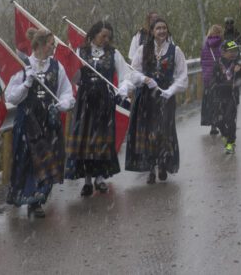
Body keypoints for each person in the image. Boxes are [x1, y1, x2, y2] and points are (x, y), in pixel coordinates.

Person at [5, 28, 75, 218]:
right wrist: (27, 83)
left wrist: (63, 103)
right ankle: (31, 198)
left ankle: (39, 198)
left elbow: (67, 91)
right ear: (40, 45)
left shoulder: (56, 67)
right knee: (29, 161)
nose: (54, 47)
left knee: (48, 160)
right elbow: (11, 97)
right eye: (51, 44)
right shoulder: (23, 66)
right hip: (28, 121)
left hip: (48, 121)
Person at [120, 18, 188, 184]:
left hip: (165, 97)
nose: (162, 31)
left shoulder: (175, 51)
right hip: (146, 98)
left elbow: (182, 76)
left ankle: (163, 163)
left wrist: (170, 90)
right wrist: (145, 79)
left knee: (164, 132)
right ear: (152, 31)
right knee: (148, 133)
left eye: (164, 28)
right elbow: (133, 72)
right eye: (158, 28)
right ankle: (150, 167)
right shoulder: (143, 50)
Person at [65, 21, 127, 196]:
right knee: (85, 140)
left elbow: (124, 75)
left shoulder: (113, 54)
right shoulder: (80, 52)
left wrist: (121, 90)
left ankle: (100, 178)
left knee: (102, 139)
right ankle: (87, 180)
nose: (106, 40)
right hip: (85, 101)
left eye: (108, 37)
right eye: (103, 36)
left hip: (104, 101)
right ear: (94, 35)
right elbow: (74, 77)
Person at [210, 39, 241, 154]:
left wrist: (238, 78)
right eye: (230, 51)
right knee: (218, 121)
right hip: (219, 97)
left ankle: (231, 142)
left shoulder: (237, 65)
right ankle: (226, 134)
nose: (233, 53)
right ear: (223, 52)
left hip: (232, 97)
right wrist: (226, 84)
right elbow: (213, 82)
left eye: (235, 51)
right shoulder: (217, 64)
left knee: (229, 119)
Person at [200, 24, 223, 136]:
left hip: (208, 77)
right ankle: (220, 122)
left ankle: (212, 124)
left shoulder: (205, 45)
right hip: (218, 77)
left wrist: (206, 73)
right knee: (220, 101)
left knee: (210, 102)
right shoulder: (221, 44)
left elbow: (202, 62)